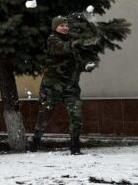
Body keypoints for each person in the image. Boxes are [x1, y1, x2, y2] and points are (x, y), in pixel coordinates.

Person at [30, 16, 96, 155]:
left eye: (66, 25)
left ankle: (75, 147)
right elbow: (61, 49)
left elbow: (76, 62)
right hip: (52, 86)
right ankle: (34, 144)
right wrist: (78, 42)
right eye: (62, 26)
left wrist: (86, 66)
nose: (65, 28)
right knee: (45, 114)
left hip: (70, 86)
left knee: (76, 114)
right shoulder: (52, 40)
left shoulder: (70, 42)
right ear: (55, 27)